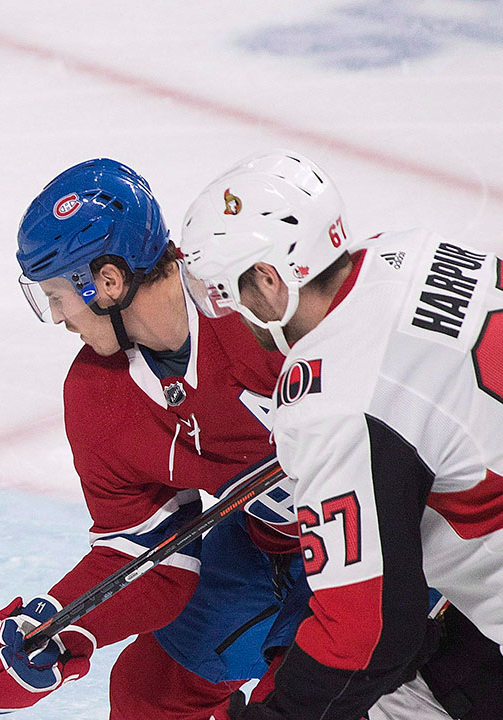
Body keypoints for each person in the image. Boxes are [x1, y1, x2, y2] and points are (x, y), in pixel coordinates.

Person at [0, 158, 310, 720]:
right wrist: (52, 630)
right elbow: (147, 550)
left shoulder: (252, 306)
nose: (58, 318)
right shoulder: (97, 395)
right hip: (266, 546)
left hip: (390, 541)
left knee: (305, 700)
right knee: (148, 695)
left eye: (57, 296)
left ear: (107, 282)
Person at [177, 150, 503, 720]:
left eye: (229, 292)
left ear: (269, 279)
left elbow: (366, 633)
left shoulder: (332, 400)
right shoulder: (412, 248)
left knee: (383, 693)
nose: (228, 314)